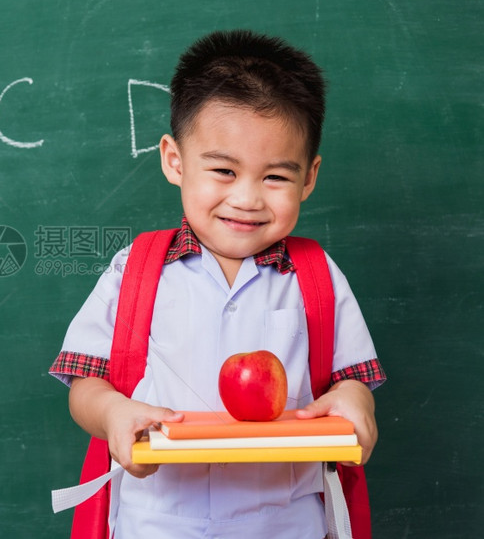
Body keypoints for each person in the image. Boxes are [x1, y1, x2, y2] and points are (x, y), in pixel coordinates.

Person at [49, 30, 386, 538]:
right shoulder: (134, 268)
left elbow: (351, 377)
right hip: (157, 519)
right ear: (175, 160)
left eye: (275, 177)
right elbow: (85, 382)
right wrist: (114, 413)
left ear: (309, 178)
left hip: (286, 521)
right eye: (224, 170)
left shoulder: (316, 274)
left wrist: (356, 400)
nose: (247, 198)